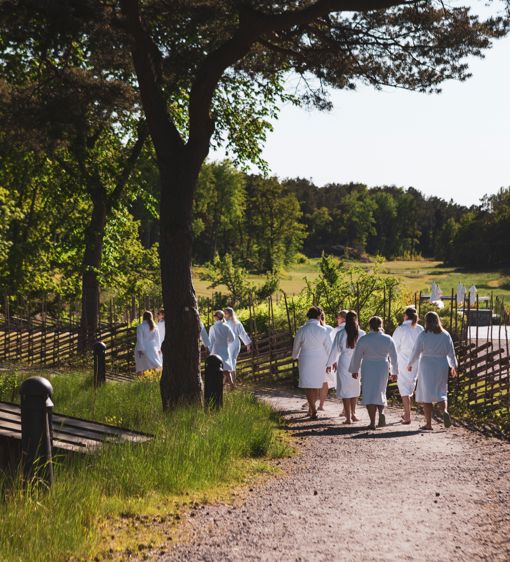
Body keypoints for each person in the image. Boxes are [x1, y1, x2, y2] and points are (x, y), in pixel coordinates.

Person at [407, 311, 457, 431]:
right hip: (441, 364)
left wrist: (410, 363)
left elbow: (416, 351)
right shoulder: (445, 334)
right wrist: (453, 366)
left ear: (426, 321)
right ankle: (445, 411)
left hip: (427, 365)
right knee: (441, 391)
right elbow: (451, 352)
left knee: (427, 394)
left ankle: (428, 424)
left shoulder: (423, 335)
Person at [349, 316, 398, 430]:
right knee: (380, 390)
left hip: (368, 367)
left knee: (369, 393)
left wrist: (354, 369)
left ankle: (372, 422)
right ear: (381, 325)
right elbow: (394, 357)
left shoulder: (364, 339)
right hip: (382, 367)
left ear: (370, 326)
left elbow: (357, 355)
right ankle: (381, 412)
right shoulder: (387, 339)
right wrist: (394, 371)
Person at [292, 306, 332, 420]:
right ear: (319, 316)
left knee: (308, 385)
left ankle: (312, 409)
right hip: (320, 359)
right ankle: (312, 408)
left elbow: (296, 345)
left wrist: (294, 356)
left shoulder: (302, 329)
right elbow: (329, 347)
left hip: (305, 358)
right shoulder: (323, 330)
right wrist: (331, 361)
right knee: (316, 385)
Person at [326, 311, 365, 424]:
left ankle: (348, 417)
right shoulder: (362, 333)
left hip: (344, 362)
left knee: (345, 388)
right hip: (357, 362)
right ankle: (353, 414)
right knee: (355, 387)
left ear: (346, 320)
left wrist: (329, 363)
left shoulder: (340, 333)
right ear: (356, 319)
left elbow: (334, 350)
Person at [392, 306, 424, 424]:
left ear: (406, 316)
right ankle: (406, 412)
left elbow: (394, 348)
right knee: (410, 386)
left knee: (404, 388)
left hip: (403, 362)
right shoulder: (420, 328)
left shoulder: (401, 329)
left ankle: (407, 415)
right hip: (417, 361)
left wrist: (392, 367)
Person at [224, 306, 251, 388]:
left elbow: (242, 333)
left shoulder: (237, 323)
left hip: (234, 344)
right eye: (224, 313)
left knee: (232, 361)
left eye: (226, 313)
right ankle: (227, 383)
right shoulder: (224, 323)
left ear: (230, 313)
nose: (224, 314)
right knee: (227, 362)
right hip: (226, 345)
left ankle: (233, 383)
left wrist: (247, 344)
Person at [208, 310, 236, 389]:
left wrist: (210, 350)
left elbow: (211, 340)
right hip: (224, 348)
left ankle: (217, 386)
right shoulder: (226, 327)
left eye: (215, 316)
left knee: (215, 368)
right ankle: (231, 385)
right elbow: (232, 338)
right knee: (225, 368)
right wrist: (225, 342)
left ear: (217, 317)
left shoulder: (213, 328)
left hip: (216, 349)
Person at [134, 310, 162, 376]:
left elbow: (140, 339)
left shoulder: (140, 326)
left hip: (143, 348)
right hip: (153, 348)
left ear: (143, 317)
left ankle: (140, 381)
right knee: (154, 365)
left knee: (140, 366)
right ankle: (156, 379)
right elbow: (158, 339)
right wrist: (159, 349)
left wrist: (140, 349)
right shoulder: (155, 327)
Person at [318, 311, 335, 410]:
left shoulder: (314, 328)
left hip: (317, 359)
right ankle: (321, 405)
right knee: (324, 382)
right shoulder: (329, 329)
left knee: (315, 381)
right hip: (326, 359)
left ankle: (312, 403)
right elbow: (333, 346)